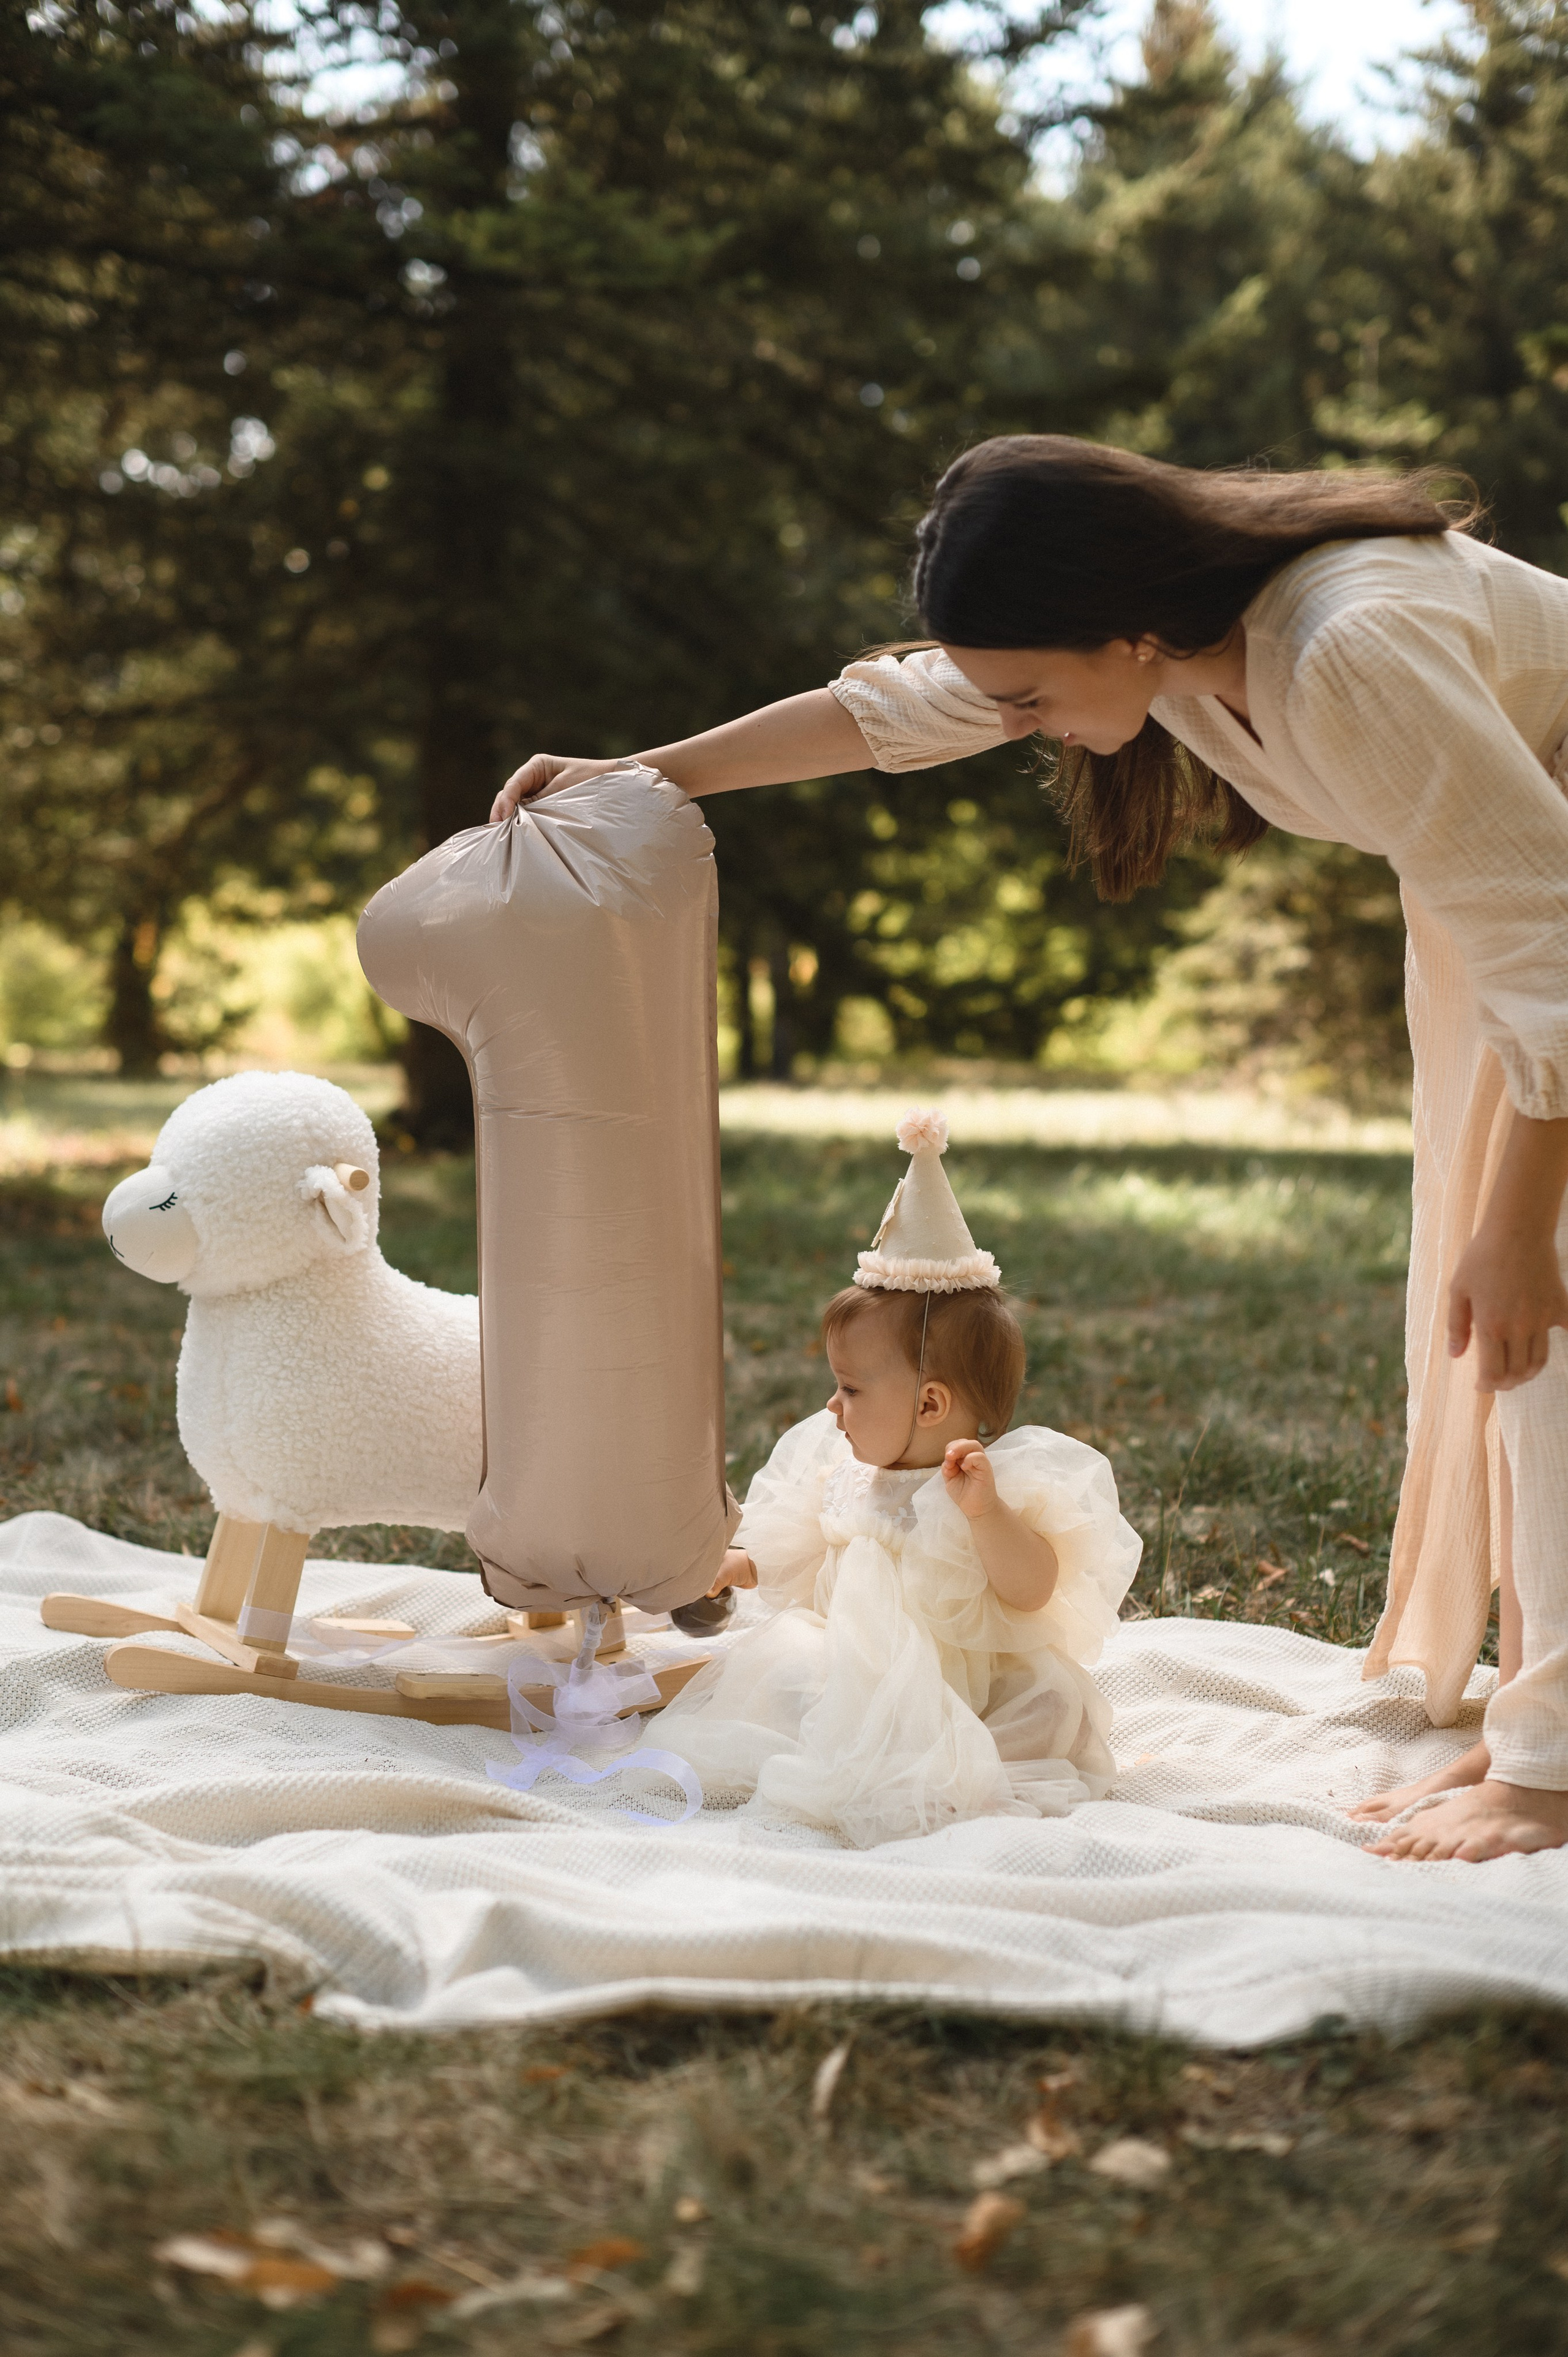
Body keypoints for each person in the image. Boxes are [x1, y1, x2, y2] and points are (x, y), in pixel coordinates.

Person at [492, 434, 1568, 1863]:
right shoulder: (1169, 632)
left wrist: (1514, 1226)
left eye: (1033, 693)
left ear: (1126, 633)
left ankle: (1547, 1772)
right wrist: (642, 776)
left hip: (1546, 942)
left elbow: (1549, 952)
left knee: (1528, 1330)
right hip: (1523, 935)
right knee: (1505, 1334)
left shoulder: (1343, 646)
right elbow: (886, 711)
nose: (1024, 722)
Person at [633, 1109, 1140, 1847]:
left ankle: (947, 1765)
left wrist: (987, 1514)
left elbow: (1032, 1587)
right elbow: (800, 1549)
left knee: (1051, 1706)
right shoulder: (844, 1471)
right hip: (852, 1669)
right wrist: (739, 1566)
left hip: (964, 1690)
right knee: (783, 1673)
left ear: (930, 1403)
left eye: (852, 1389)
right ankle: (880, 1752)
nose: (832, 1406)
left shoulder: (982, 1487)